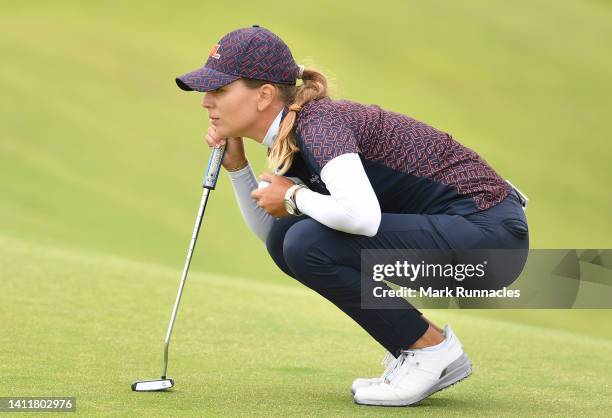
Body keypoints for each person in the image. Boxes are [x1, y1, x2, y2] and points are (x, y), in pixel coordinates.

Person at [175, 25, 529, 407]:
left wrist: (293, 194)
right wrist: (238, 169)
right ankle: (423, 348)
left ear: (264, 96)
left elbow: (362, 219)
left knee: (307, 240)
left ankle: (432, 352)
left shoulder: (319, 124)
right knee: (289, 239)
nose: (205, 102)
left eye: (220, 89)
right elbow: (272, 235)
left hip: (490, 241)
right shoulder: (294, 135)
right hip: (467, 240)